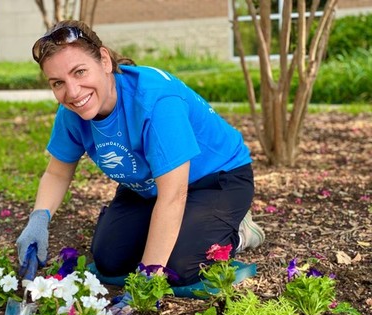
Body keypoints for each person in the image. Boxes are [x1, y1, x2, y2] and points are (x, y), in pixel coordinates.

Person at [16, 20, 265, 295]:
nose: (72, 92)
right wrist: (38, 220)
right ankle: (175, 229)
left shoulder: (156, 101)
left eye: (80, 72)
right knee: (110, 261)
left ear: (104, 60)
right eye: (58, 83)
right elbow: (57, 173)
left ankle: (239, 230)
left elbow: (174, 196)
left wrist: (145, 285)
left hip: (216, 179)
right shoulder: (73, 112)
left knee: (178, 267)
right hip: (149, 187)